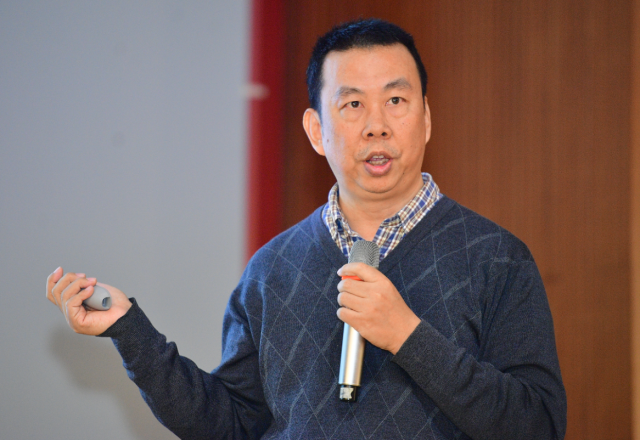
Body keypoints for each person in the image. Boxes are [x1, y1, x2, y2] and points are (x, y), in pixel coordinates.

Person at [46, 18, 566, 440]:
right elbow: (230, 426)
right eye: (353, 104)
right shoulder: (271, 269)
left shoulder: (497, 258)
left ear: (426, 118)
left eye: (396, 100)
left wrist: (406, 335)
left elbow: (538, 426)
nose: (377, 125)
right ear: (317, 130)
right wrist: (130, 331)